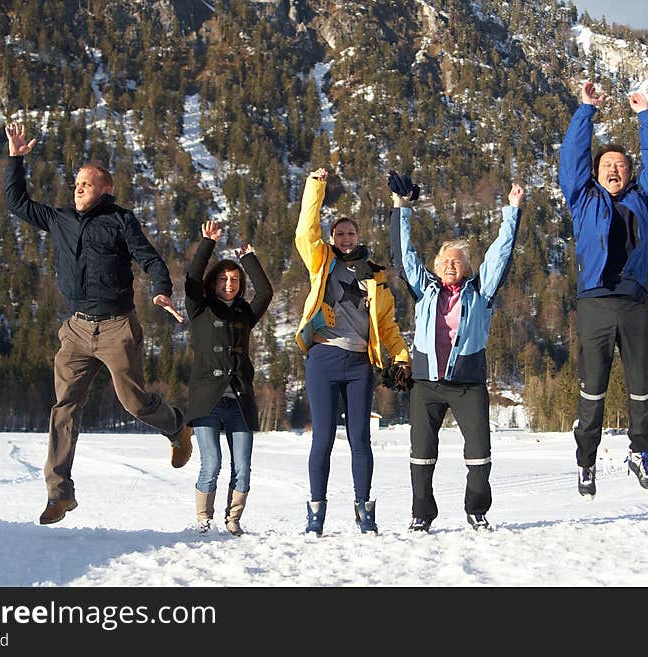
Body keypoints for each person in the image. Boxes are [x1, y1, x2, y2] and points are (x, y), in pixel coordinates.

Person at [3, 122, 193, 525]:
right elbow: (17, 203)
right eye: (76, 184)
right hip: (75, 329)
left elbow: (152, 259)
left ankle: (176, 426)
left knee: (134, 402)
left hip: (116, 327)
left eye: (87, 184)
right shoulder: (59, 219)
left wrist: (161, 289)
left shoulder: (121, 221)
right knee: (64, 408)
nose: (79, 188)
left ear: (106, 189)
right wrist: (16, 160)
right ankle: (59, 494)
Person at [390, 170, 524, 532]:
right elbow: (404, 257)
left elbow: (500, 255)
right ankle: (422, 514)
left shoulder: (481, 292)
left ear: (467, 267)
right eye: (445, 260)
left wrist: (511, 211)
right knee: (421, 453)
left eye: (458, 261)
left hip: (468, 382)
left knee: (479, 452)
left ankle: (476, 509)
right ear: (435, 268)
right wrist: (401, 208)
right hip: (425, 384)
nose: (451, 264)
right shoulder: (425, 290)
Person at [558, 82, 648, 498]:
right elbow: (571, 158)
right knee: (593, 385)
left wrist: (646, 116)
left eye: (621, 165)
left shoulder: (643, 198)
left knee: (640, 384)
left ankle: (640, 454)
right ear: (596, 171)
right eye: (607, 164)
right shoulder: (582, 198)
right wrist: (585, 110)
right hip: (595, 303)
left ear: (629, 172)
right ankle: (586, 461)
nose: (614, 170)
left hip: (634, 303)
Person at [294, 167, 411, 536]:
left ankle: (365, 510)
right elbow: (304, 232)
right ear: (331, 238)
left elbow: (387, 326)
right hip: (324, 358)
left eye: (350, 233)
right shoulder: (321, 263)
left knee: (360, 438)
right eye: (339, 234)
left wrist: (402, 357)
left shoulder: (374, 276)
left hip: (360, 362)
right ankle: (316, 512)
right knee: (323, 438)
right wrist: (317, 186)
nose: (345, 238)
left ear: (359, 237)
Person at [184, 220, 273, 536]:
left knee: (243, 469)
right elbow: (192, 278)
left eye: (235, 279)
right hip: (207, 401)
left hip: (239, 402)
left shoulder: (245, 314)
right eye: (223, 278)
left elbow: (265, 291)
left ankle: (233, 519)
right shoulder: (199, 308)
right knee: (211, 464)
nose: (229, 283)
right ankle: (203, 519)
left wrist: (249, 259)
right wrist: (207, 243)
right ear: (214, 282)